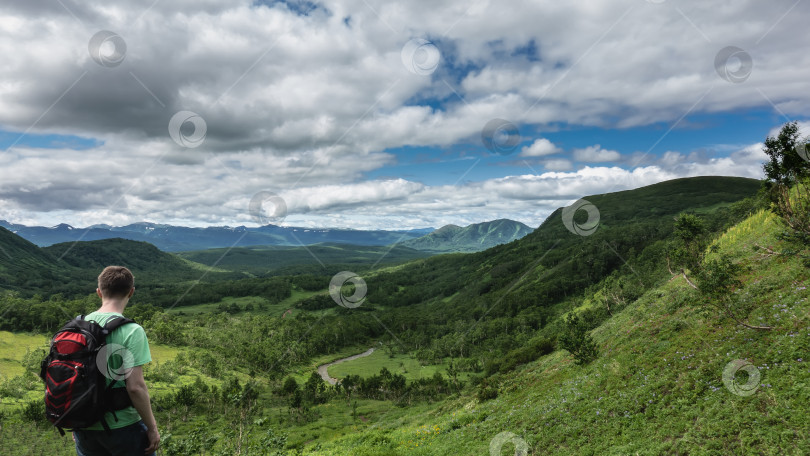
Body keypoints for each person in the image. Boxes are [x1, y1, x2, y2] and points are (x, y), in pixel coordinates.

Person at [72, 266, 160, 456]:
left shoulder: (77, 327)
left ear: (98, 292)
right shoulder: (132, 330)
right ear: (131, 292)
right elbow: (135, 387)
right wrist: (152, 428)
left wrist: (76, 416)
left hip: (84, 425)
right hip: (124, 426)